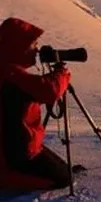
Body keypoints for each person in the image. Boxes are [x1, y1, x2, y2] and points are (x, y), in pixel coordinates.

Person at [0, 17, 74, 192]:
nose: (36, 50)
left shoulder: (7, 69)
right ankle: (8, 181)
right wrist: (62, 74)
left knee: (63, 167)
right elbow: (50, 91)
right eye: (33, 44)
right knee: (65, 178)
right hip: (12, 157)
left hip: (11, 148)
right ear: (18, 47)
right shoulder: (11, 75)